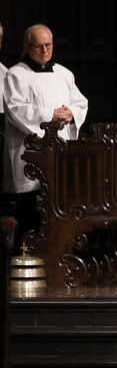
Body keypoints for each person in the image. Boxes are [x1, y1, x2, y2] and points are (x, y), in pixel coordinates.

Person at [3, 24, 88, 236]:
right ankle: (26, 256)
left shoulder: (63, 74)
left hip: (59, 150)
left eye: (48, 45)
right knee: (30, 212)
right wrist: (50, 115)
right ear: (26, 47)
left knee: (58, 204)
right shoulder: (15, 75)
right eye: (39, 46)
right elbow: (15, 109)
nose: (45, 50)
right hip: (29, 153)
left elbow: (80, 102)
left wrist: (71, 113)